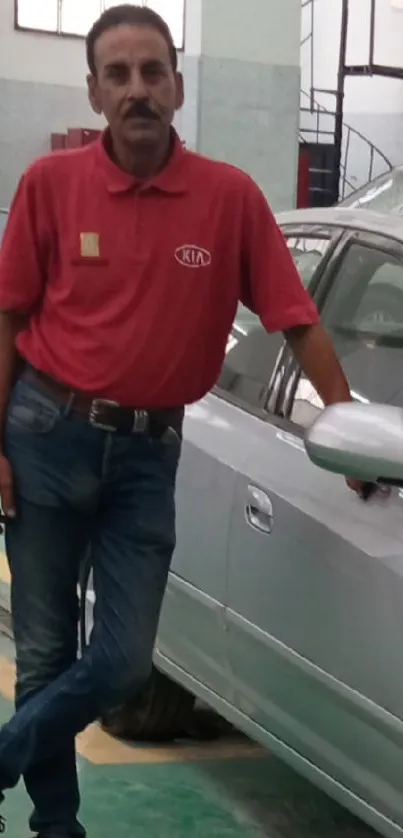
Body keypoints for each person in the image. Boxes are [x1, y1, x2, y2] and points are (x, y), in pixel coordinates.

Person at [0, 4, 360, 836]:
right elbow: (11, 318)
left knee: (123, 662)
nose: (136, 90)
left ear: (178, 86)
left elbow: (296, 319)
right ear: (94, 92)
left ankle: (7, 752)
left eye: (151, 72)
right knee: (49, 654)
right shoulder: (49, 187)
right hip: (45, 433)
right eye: (118, 75)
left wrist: (343, 423)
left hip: (147, 457)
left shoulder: (227, 200)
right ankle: (57, 829)